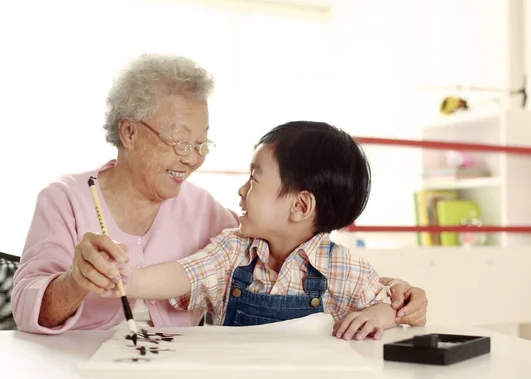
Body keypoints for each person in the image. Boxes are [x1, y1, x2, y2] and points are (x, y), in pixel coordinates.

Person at [12, 53, 428, 335]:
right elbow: (26, 306)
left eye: (201, 143)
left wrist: (395, 295)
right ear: (130, 132)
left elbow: (292, 249)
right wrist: (77, 282)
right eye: (179, 141)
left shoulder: (212, 216)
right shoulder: (63, 200)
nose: (193, 159)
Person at [108, 121, 403, 340]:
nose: (241, 190)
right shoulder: (233, 250)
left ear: (300, 206)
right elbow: (185, 274)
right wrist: (129, 280)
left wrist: (377, 315)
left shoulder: (343, 268)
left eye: (254, 179)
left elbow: (389, 305)